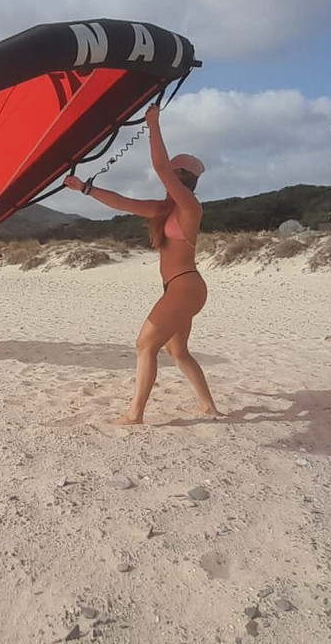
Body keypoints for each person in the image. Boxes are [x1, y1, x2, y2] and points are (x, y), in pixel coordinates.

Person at [63, 104, 221, 425]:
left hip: (185, 287)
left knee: (144, 345)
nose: (168, 180)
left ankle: (135, 415)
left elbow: (160, 166)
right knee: (178, 353)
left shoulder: (189, 207)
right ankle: (209, 406)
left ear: (185, 180)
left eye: (176, 176)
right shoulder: (164, 209)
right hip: (181, 288)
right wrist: (86, 189)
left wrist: (153, 124)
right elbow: (123, 202)